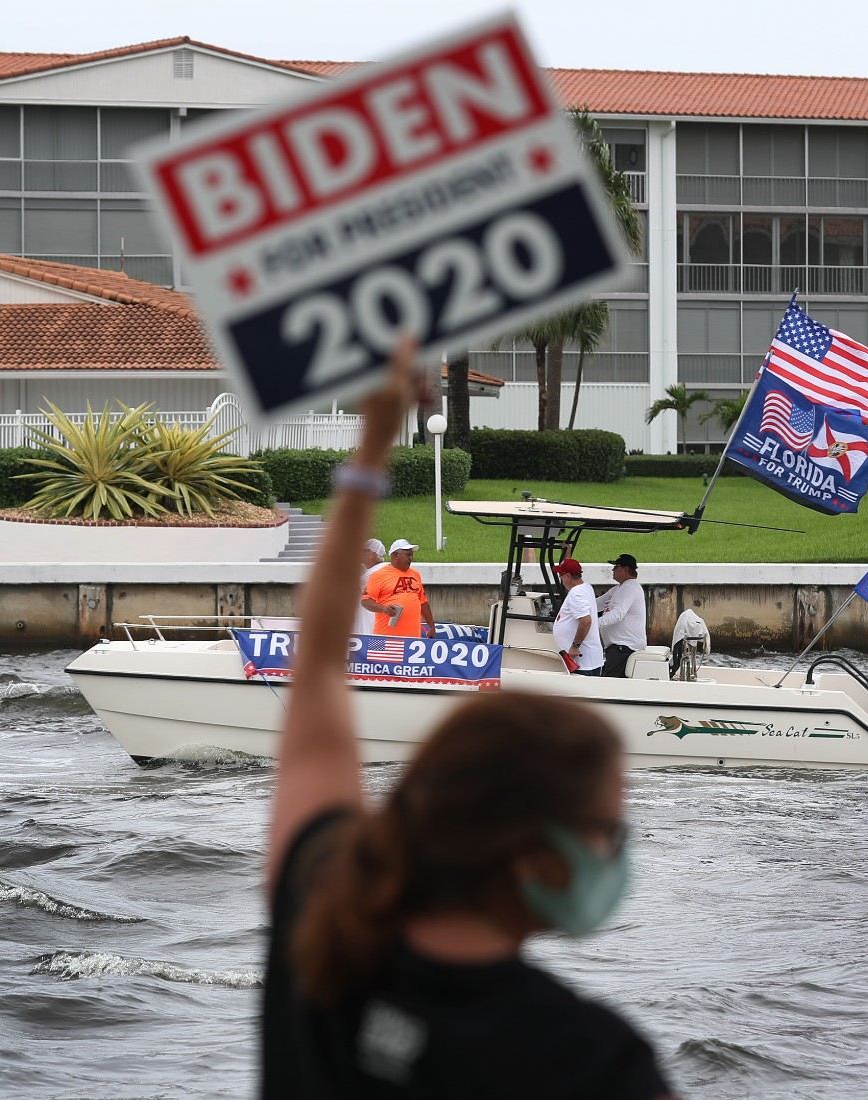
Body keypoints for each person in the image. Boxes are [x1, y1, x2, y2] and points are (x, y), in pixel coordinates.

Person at [263, 338, 674, 1099]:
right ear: (529, 855)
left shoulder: (321, 933)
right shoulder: (596, 1063)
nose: (617, 856)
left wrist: (372, 446)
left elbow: (316, 673)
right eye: (610, 834)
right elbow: (329, 660)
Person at [362, 538, 435, 637]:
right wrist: (384, 609)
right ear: (396, 555)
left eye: (411, 555)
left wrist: (431, 626)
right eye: (407, 555)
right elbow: (366, 601)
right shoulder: (378, 575)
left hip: (412, 639)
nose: (411, 558)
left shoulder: (415, 574)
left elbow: (423, 603)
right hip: (387, 637)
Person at [597, 553, 647, 678]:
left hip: (624, 649)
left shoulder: (630, 587)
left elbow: (618, 614)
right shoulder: (618, 589)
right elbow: (596, 604)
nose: (612, 570)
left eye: (616, 566)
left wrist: (594, 624)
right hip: (617, 648)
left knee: (608, 684)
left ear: (625, 569)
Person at [552, 557, 604, 676]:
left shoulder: (576, 593)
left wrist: (575, 647)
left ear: (568, 576)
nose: (561, 578)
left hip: (582, 661)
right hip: (590, 659)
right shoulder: (586, 587)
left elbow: (586, 621)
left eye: (561, 575)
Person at [352, 538, 386, 636]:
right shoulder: (384, 570)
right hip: (372, 622)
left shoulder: (373, 573)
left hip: (369, 624)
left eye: (364, 551)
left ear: (373, 554)